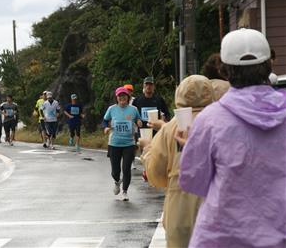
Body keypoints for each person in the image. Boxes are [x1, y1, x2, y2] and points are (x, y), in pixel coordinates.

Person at [177, 28, 286, 248]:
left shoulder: (211, 120)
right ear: (269, 65)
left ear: (225, 70)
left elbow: (193, 182)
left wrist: (191, 148)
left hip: (221, 238)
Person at [140, 75, 214, 248]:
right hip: (216, 206)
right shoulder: (221, 121)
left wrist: (148, 149)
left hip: (179, 209)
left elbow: (156, 175)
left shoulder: (171, 127)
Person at [103, 87, 142, 201]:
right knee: (115, 171)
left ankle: (125, 191)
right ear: (117, 98)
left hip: (129, 144)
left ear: (128, 97)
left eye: (124, 96)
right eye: (120, 96)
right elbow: (105, 120)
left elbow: (138, 120)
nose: (122, 98)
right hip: (114, 143)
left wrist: (139, 122)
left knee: (126, 169)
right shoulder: (112, 109)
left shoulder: (133, 109)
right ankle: (117, 181)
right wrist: (106, 127)